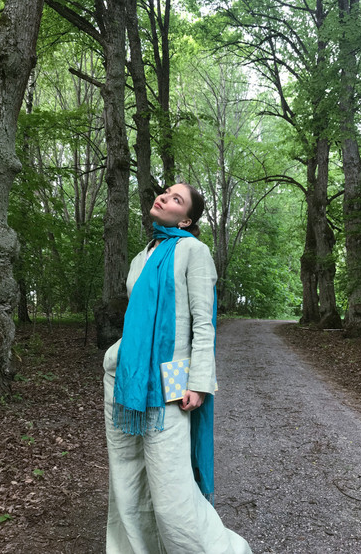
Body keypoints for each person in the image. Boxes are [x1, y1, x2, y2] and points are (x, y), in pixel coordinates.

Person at [103, 183, 252, 554]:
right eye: (166, 192)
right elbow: (136, 320)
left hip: (170, 378)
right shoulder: (142, 257)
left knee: (170, 485)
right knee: (127, 476)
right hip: (124, 378)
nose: (164, 197)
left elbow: (204, 323)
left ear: (186, 219)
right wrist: (114, 355)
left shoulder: (193, 250)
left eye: (176, 199)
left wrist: (199, 382)